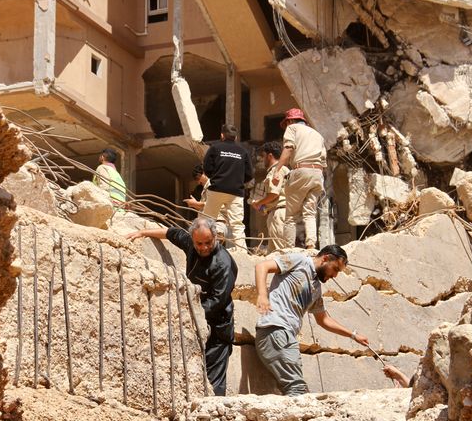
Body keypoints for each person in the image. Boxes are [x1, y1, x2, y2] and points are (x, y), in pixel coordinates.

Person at [126, 217, 237, 396]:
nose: (203, 247)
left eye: (208, 242)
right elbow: (172, 233)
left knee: (213, 379)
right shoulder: (192, 245)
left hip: (218, 328)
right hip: (195, 323)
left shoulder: (223, 263)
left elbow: (218, 301)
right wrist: (143, 232)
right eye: (199, 243)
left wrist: (187, 314)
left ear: (215, 237)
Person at [254, 245, 369, 396]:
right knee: (298, 390)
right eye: (335, 269)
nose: (335, 276)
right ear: (325, 258)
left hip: (286, 336)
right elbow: (262, 266)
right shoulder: (299, 261)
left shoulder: (316, 287)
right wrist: (262, 295)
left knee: (297, 391)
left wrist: (353, 335)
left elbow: (323, 320)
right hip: (276, 329)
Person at [270, 108, 326, 250]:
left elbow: (288, 148)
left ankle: (288, 248)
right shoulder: (317, 134)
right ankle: (311, 245)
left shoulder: (292, 128)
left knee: (290, 215)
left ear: (290, 120)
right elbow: (324, 161)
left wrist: (277, 170)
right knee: (310, 213)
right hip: (318, 173)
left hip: (301, 170)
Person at [202, 124, 253, 251]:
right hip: (236, 192)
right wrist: (238, 181)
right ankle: (242, 251)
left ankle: (206, 247)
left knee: (208, 220)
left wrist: (217, 178)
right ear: (235, 137)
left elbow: (207, 168)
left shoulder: (215, 148)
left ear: (222, 135)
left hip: (217, 189)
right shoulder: (243, 152)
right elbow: (249, 174)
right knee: (237, 224)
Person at [250, 141, 290, 251]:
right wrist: (263, 207)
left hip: (279, 213)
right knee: (274, 253)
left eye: (263, 156)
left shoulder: (276, 170)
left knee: (280, 251)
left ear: (270, 156)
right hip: (280, 212)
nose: (262, 160)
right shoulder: (284, 169)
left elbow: (274, 194)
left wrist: (259, 203)